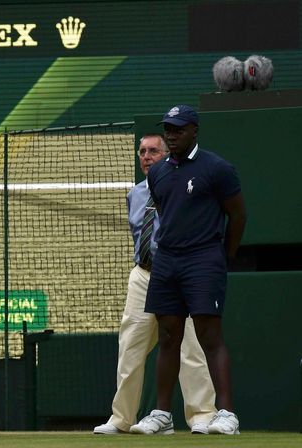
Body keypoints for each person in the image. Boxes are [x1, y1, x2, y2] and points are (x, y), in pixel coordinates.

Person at [131, 105, 247, 435]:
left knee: (210, 336)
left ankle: (226, 415)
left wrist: (224, 257)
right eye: (168, 128)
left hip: (204, 259)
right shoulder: (158, 173)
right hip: (166, 261)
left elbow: (238, 217)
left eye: (178, 129)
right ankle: (162, 415)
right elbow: (168, 214)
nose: (172, 134)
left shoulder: (217, 168)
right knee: (168, 336)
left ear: (194, 130)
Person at [93, 134, 216, 436]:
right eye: (142, 152)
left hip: (180, 274)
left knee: (190, 347)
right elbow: (139, 235)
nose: (147, 157)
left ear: (166, 155)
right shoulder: (134, 194)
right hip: (143, 274)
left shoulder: (182, 188)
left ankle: (202, 415)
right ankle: (121, 419)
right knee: (131, 346)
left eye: (153, 151)